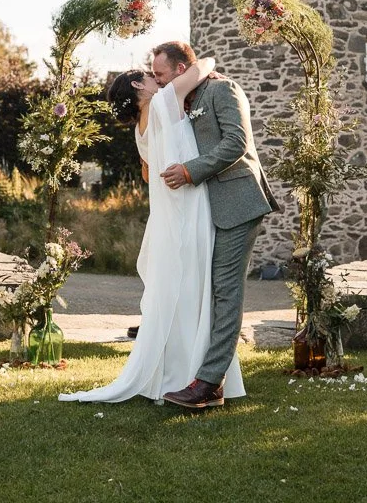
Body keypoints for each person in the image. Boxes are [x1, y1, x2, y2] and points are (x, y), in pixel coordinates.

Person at [59, 53, 246, 404]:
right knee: (197, 291)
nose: (157, 80)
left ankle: (183, 374)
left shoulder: (139, 131)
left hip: (166, 220)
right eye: (150, 76)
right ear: (137, 85)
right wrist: (205, 67)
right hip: (191, 211)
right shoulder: (163, 101)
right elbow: (203, 63)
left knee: (177, 293)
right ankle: (196, 374)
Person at [153, 41, 278, 410]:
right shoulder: (185, 100)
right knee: (210, 290)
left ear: (180, 69)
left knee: (225, 291)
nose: (158, 83)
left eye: (161, 75)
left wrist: (191, 171)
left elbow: (237, 143)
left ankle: (207, 384)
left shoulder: (223, 89)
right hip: (211, 207)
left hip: (238, 203)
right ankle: (210, 379)